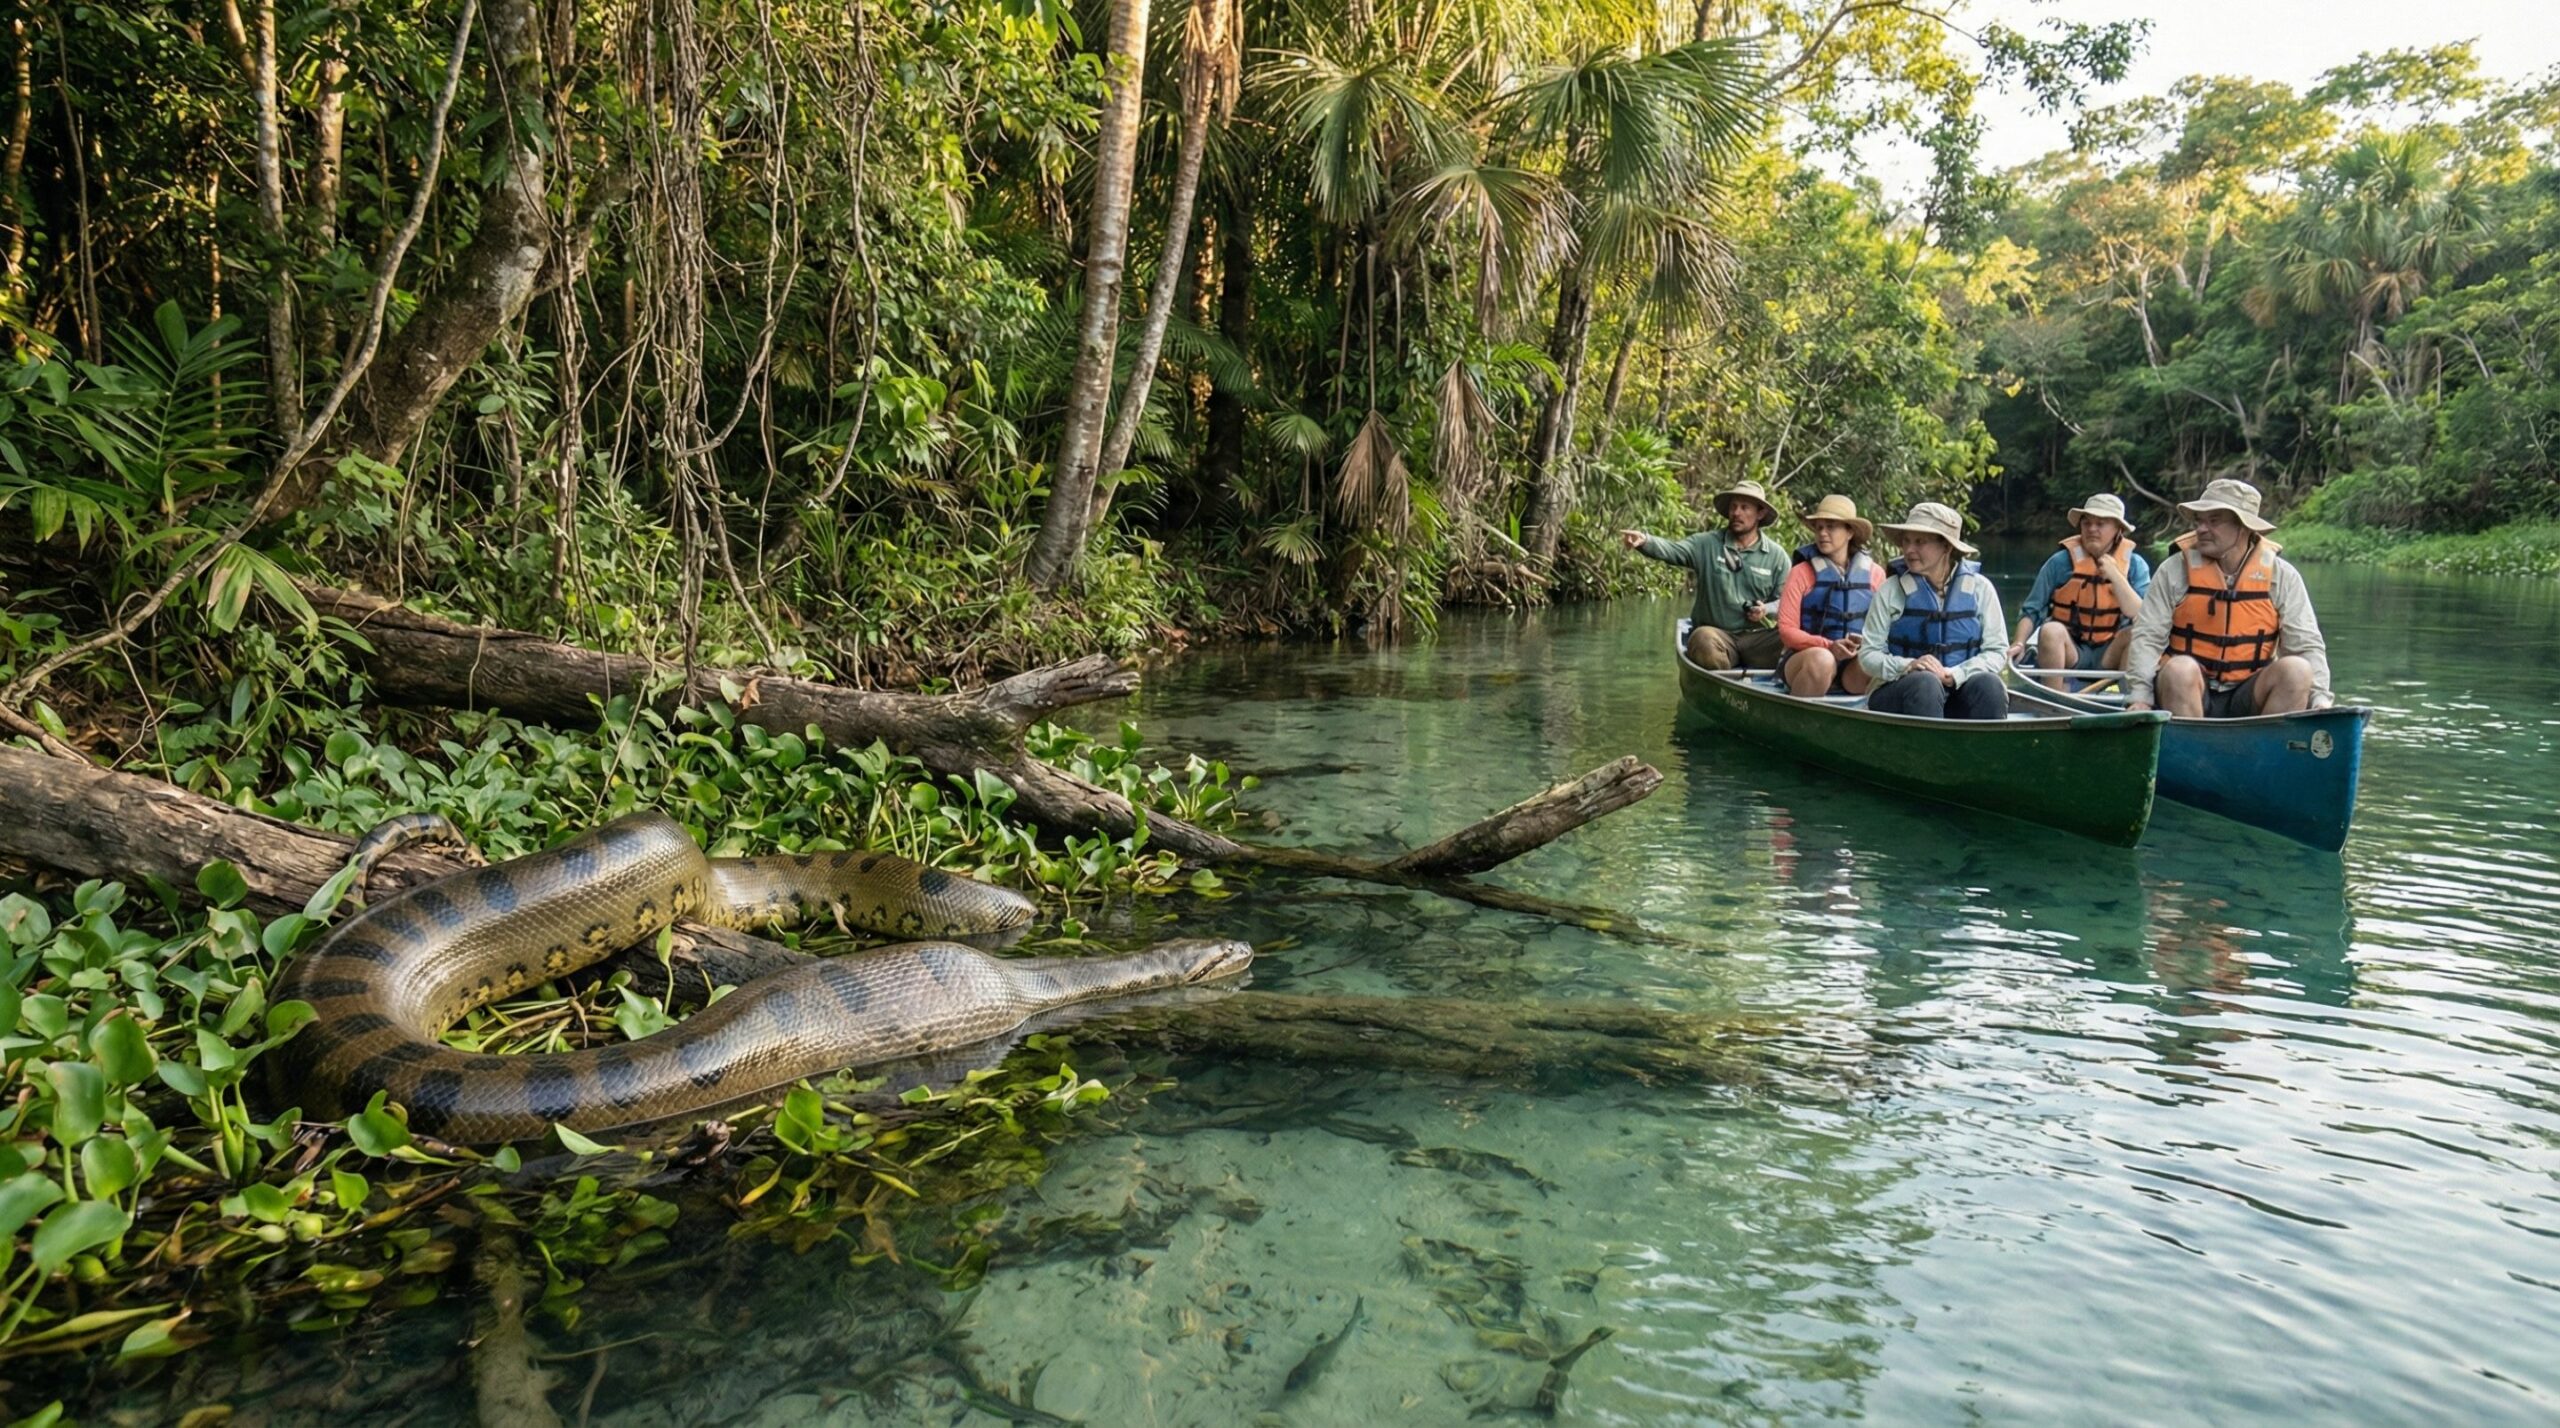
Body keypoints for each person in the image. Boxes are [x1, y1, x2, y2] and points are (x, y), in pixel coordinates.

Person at [2121, 478, 2331, 717]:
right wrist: (2141, 696)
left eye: (2214, 521)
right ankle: (2192, 740)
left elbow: (2305, 644)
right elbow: (2148, 636)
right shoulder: (2174, 570)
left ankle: (2266, 740)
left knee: (2297, 670)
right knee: (2179, 669)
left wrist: (2320, 699)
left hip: (2249, 692)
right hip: (2186, 690)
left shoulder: (2282, 576)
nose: (2201, 529)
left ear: (2244, 527)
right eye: (2199, 521)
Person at [1857, 502, 2011, 720]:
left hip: (1959, 688)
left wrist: (1955, 675)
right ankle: (1926, 742)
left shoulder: (1981, 588)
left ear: (1946, 547)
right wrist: (1909, 666)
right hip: (1901, 691)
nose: (1909, 550)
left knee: (1991, 685)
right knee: (1925, 683)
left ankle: (1985, 742)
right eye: (1907, 541)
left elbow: (1997, 651)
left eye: (1920, 542)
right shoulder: (1890, 590)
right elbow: (1868, 655)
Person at [1621, 479, 1791, 670]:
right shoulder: (1706, 543)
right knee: (1703, 639)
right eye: (1733, 507)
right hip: (1716, 636)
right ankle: (1724, 676)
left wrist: (1765, 609)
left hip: (1756, 640)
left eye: (1744, 507)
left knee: (1795, 636)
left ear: (1760, 513)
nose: (1736, 513)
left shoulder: (1777, 556)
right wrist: (1645, 541)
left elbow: (1786, 603)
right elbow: (1674, 550)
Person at [2010, 492, 2150, 691]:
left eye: (2100, 524)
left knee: (2138, 633)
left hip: (2111, 653)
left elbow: (2143, 615)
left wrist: (2116, 576)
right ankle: (2053, 700)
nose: (2092, 529)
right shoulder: (2059, 563)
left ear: (2118, 529)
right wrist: (2019, 642)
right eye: (2087, 523)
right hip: (2072, 649)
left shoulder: (2135, 565)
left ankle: (2130, 700)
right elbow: (2032, 609)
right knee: (2050, 630)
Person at [1775, 494, 1883, 697]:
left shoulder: (1875, 574)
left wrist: (1864, 645)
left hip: (1852, 667)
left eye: (1831, 527)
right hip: (1807, 659)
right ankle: (1798, 713)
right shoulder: (1800, 572)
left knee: (1876, 661)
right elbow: (1787, 631)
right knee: (1822, 660)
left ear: (1850, 532)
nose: (1822, 533)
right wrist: (1828, 646)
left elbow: (1884, 629)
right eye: (1819, 527)